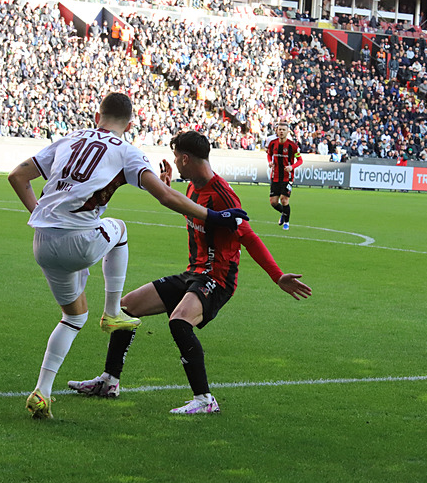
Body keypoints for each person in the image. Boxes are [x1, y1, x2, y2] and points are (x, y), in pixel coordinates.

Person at [7, 93, 247, 419]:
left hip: (43, 242)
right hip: (80, 240)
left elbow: (17, 177)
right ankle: (111, 313)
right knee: (119, 229)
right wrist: (214, 216)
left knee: (73, 318)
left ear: (97, 117)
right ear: (130, 125)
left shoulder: (68, 139)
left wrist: (42, 214)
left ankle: (43, 392)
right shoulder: (126, 150)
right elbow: (164, 196)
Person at [67, 130, 312, 415]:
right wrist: (167, 187)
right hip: (193, 274)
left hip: (217, 278)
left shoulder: (222, 195)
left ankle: (205, 400)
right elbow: (191, 213)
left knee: (180, 321)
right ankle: (109, 381)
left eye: (175, 157)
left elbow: (248, 236)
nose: (174, 162)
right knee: (125, 308)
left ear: (185, 159)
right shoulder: (194, 188)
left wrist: (277, 275)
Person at [266, 123, 303, 230]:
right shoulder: (272, 143)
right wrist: (270, 162)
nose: (281, 131)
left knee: (284, 200)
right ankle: (284, 213)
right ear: (277, 131)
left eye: (283, 130)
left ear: (287, 132)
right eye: (280, 129)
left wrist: (292, 167)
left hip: (288, 177)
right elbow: (269, 154)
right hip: (275, 176)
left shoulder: (292, 146)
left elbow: (300, 160)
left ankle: (286, 222)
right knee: (273, 202)